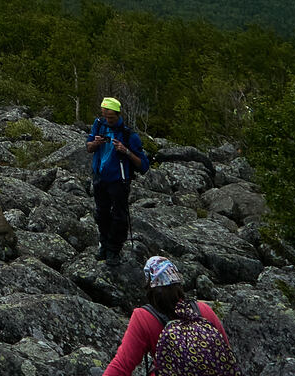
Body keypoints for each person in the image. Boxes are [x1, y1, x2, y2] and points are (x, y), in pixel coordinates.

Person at [101, 256, 237, 376]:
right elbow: (226, 354)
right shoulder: (203, 310)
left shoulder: (144, 317)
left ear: (149, 285)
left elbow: (122, 366)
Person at [87, 96, 149, 261]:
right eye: (105, 116)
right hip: (100, 178)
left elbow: (144, 165)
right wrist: (95, 143)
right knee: (102, 214)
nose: (108, 120)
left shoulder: (129, 135)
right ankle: (104, 245)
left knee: (119, 216)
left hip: (119, 180)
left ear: (118, 115)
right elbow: (88, 147)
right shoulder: (99, 125)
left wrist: (126, 151)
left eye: (111, 118)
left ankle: (114, 250)